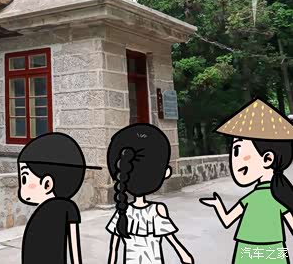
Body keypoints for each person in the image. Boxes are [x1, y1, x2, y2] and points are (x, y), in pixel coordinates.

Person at [200, 98, 293, 264]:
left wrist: (218, 206)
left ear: (267, 159)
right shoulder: (270, 197)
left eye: (237, 150)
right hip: (260, 250)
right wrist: (218, 204)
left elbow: (227, 220)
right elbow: (228, 220)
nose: (234, 160)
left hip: (255, 251)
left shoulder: (269, 197)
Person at [106, 123, 194, 264]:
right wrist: (185, 256)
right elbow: (172, 240)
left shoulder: (122, 211)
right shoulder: (157, 210)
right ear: (164, 173)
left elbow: (113, 249)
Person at [17, 132, 100, 264]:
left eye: (25, 179)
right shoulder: (52, 209)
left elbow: (74, 245)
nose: (22, 186)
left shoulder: (65, 208)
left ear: (47, 184)